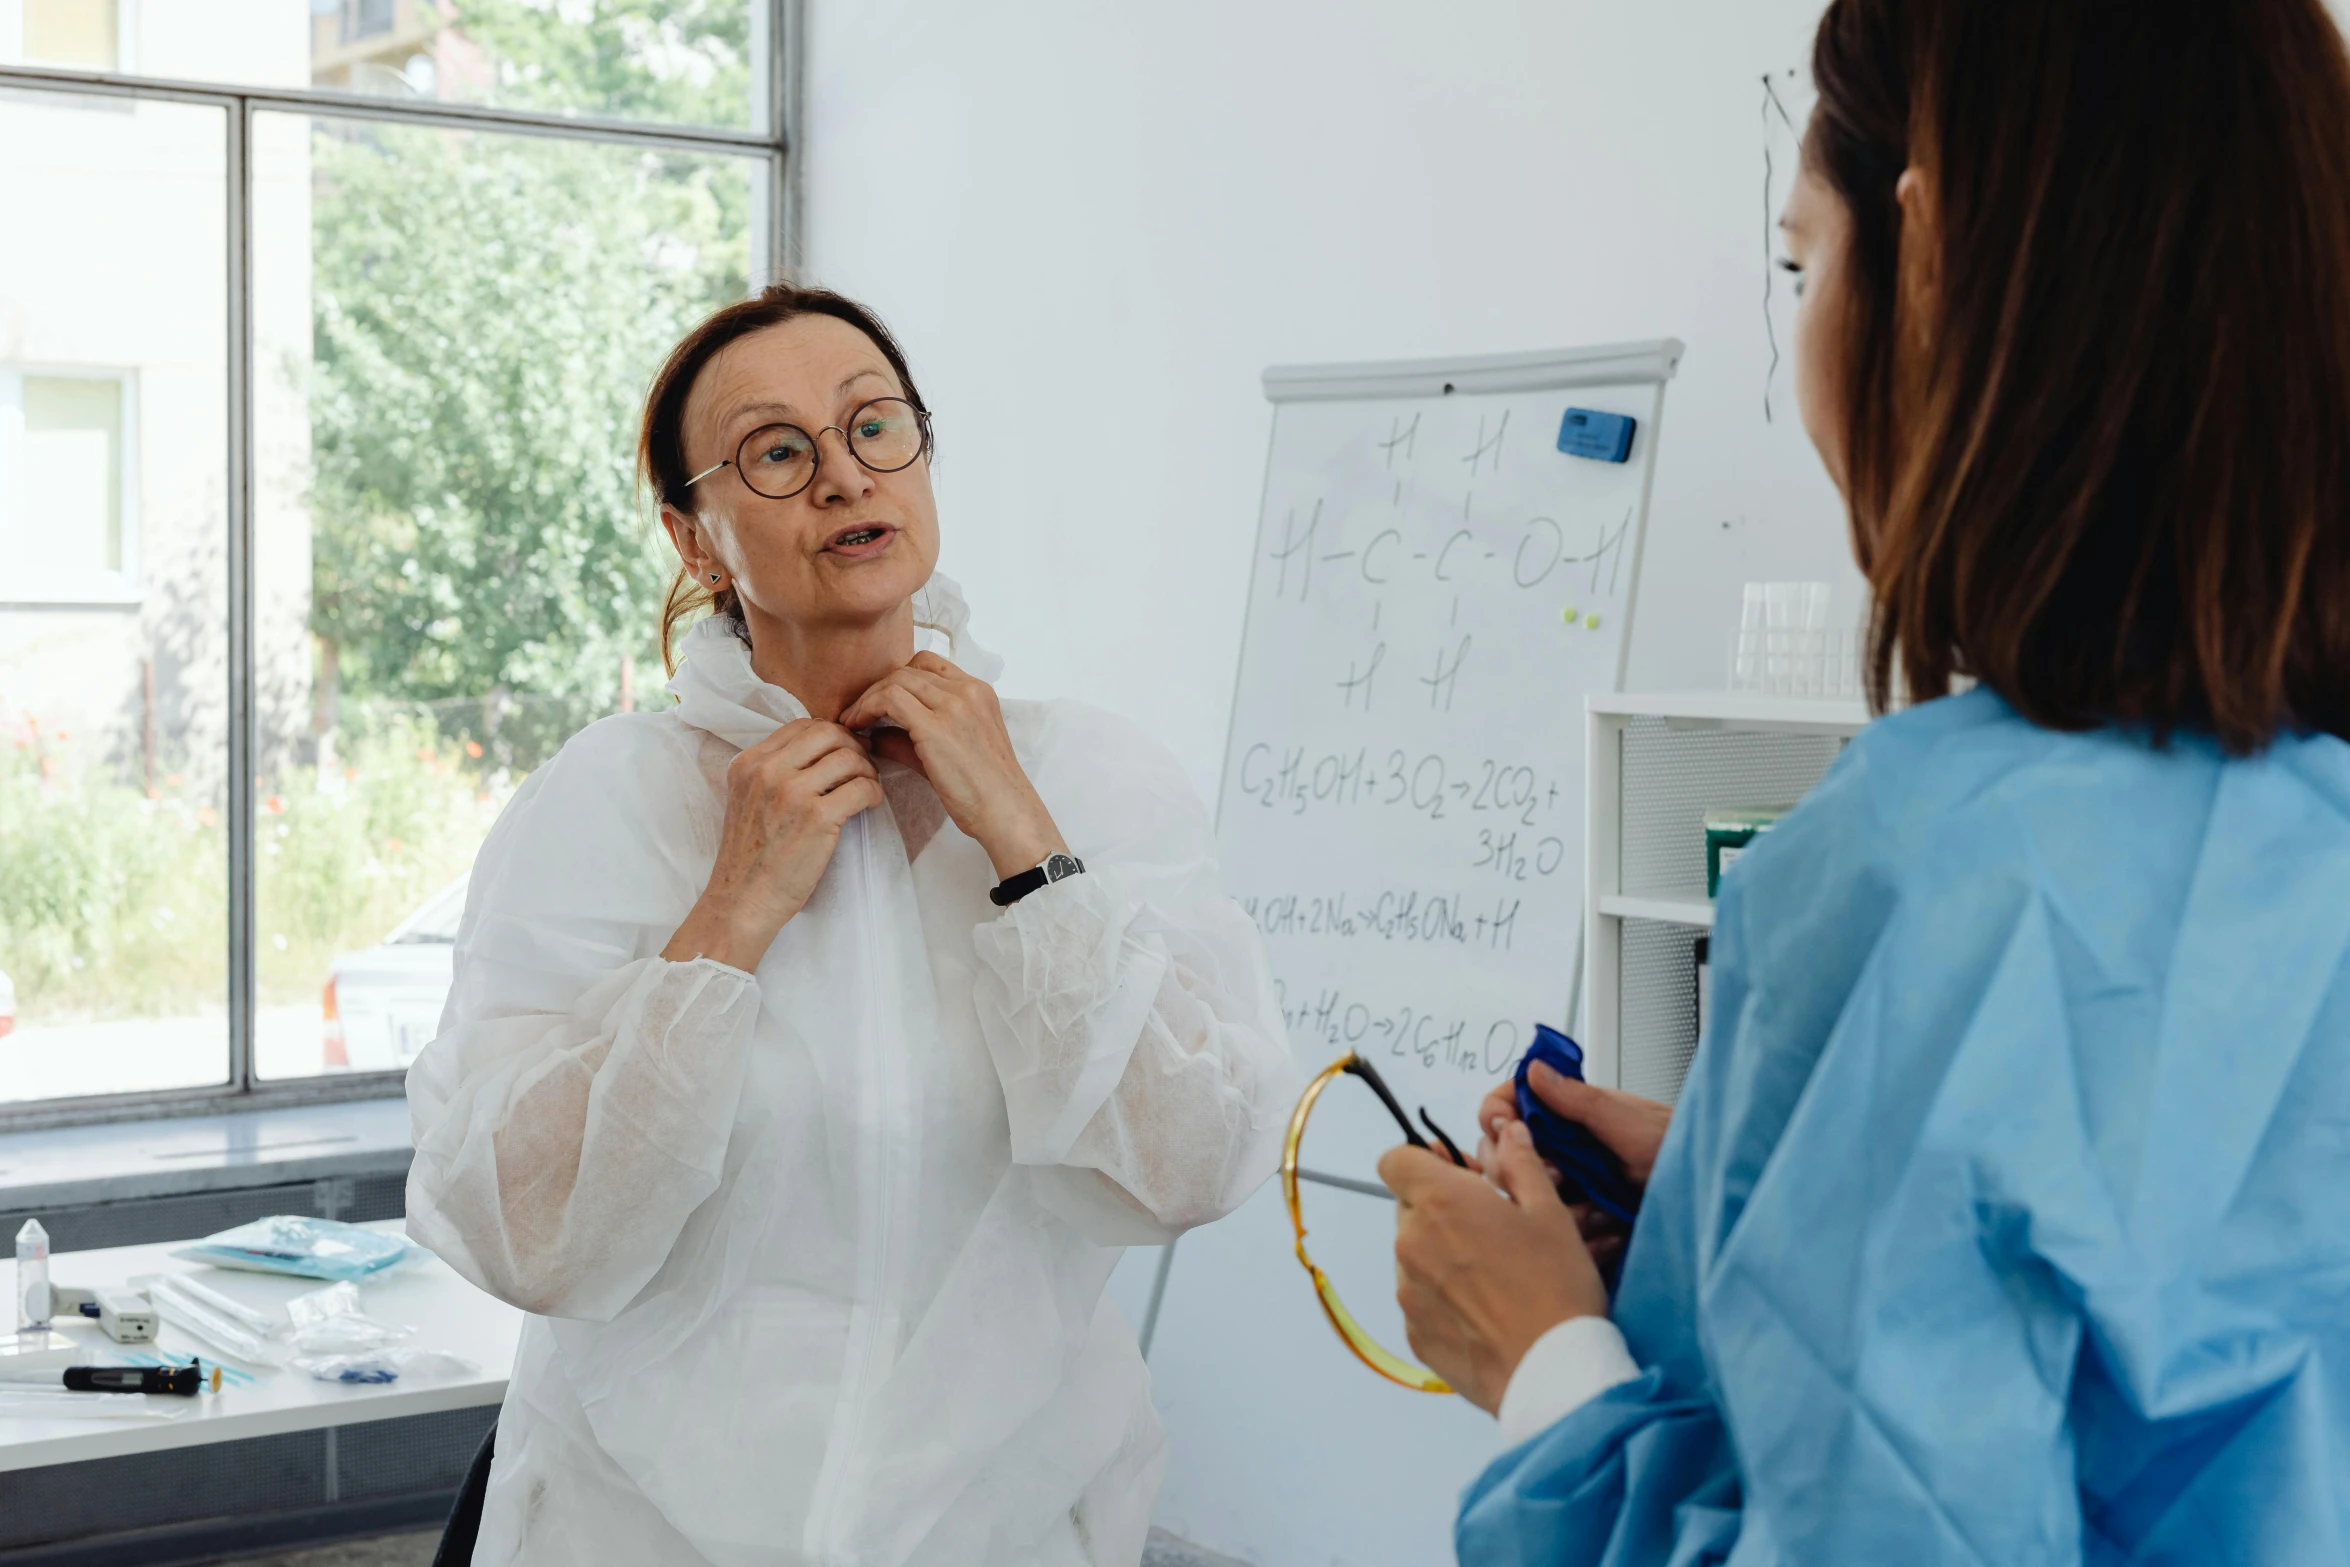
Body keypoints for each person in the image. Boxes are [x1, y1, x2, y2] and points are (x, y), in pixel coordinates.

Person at [1379, 0, 2350, 1559]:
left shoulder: (1923, 879)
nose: (1801, 322)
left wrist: (1543, 1361)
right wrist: (1725, 1191)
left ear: (1932, 258)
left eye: (1795, 262)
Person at [404, 285, 1298, 1567]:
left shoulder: (1090, 780)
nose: (842, 475)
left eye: (876, 426)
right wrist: (728, 916)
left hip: (1004, 1531)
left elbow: (1193, 1164)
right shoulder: (607, 803)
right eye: (778, 450)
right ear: (697, 537)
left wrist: (1032, 854)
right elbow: (516, 1229)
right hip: (637, 1535)